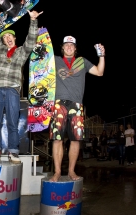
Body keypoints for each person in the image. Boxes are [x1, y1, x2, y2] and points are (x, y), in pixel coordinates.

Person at [0, 8, 43, 164]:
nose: (8, 38)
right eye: (6, 37)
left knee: (12, 121)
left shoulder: (21, 52)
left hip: (12, 88)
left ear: (15, 38)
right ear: (4, 41)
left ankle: (13, 151)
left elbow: (31, 40)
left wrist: (33, 21)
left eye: (10, 36)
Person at [49, 36, 105, 182]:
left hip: (77, 105)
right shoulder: (55, 60)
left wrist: (102, 55)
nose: (69, 47)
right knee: (57, 139)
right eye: (66, 45)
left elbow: (100, 72)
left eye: (71, 45)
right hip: (58, 103)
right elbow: (39, 64)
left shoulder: (82, 61)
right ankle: (57, 172)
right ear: (62, 48)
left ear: (75, 48)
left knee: (75, 140)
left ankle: (71, 171)